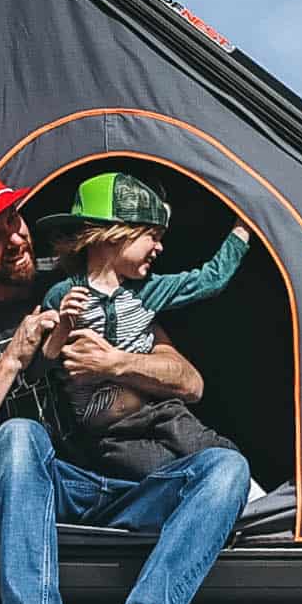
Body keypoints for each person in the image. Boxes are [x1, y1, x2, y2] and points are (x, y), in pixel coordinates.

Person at [0, 162, 249, 604]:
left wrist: (117, 362)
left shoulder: (81, 279)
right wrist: (14, 359)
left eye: (12, 218)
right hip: (48, 495)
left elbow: (188, 380)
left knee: (226, 468)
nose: (14, 239)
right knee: (19, 433)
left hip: (134, 486)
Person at [38, 169, 253, 479]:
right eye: (152, 236)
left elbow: (211, 279)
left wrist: (245, 225)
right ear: (112, 235)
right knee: (158, 470)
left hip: (157, 411)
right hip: (106, 428)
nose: (160, 248)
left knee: (218, 452)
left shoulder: (150, 290)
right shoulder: (62, 294)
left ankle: (248, 499)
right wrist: (63, 327)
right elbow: (42, 364)